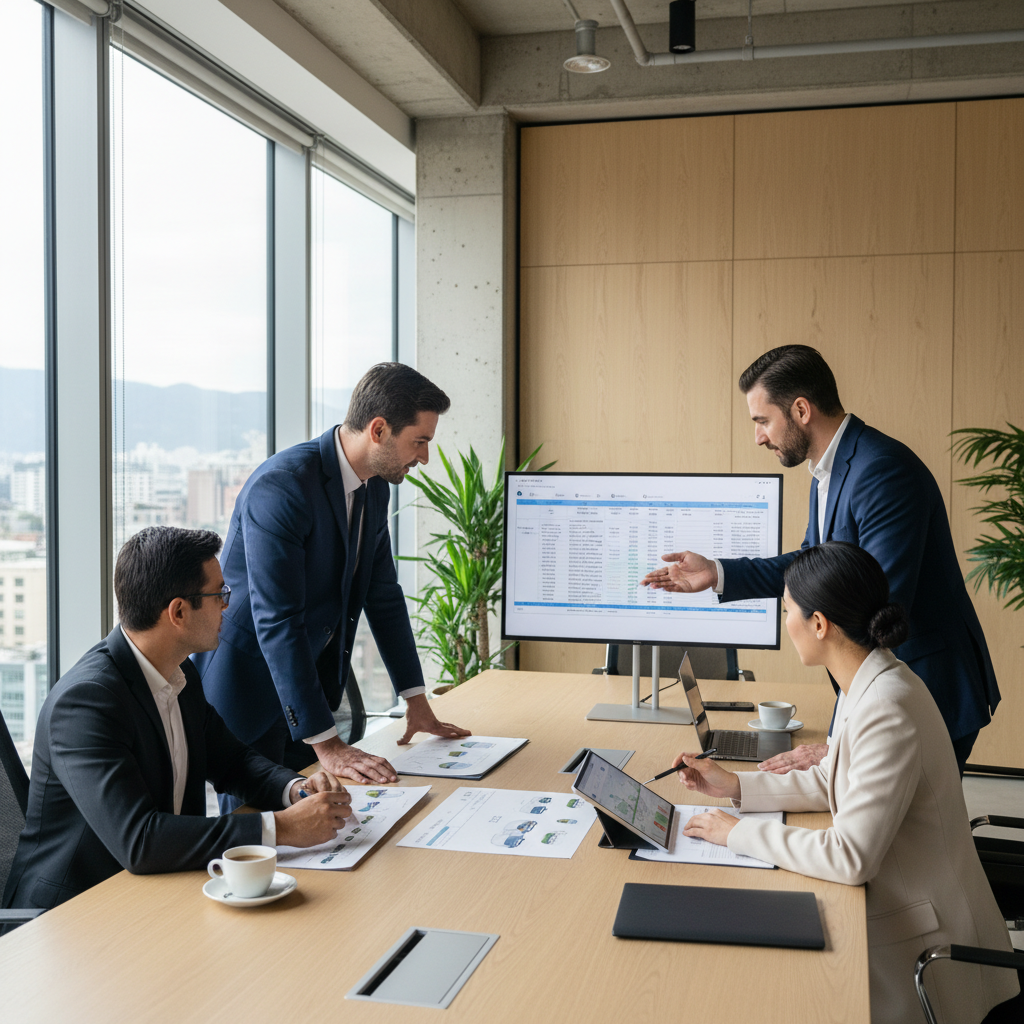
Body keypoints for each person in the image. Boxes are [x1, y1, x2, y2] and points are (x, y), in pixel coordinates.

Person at [675, 542, 1018, 1024]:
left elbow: (850, 857)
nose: (784, 620)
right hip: (909, 907)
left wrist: (736, 833)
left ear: (820, 624)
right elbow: (832, 776)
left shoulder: (886, 708)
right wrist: (735, 786)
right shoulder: (875, 679)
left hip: (926, 946)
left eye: (788, 610)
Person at [641, 345, 998, 774]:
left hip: (928, 686)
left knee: (901, 835)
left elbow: (876, 608)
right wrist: (717, 572)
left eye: (762, 420)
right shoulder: (829, 469)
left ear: (801, 410)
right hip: (886, 685)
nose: (758, 436)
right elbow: (814, 566)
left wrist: (836, 746)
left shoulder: (883, 471)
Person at [2, 527, 352, 914]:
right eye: (219, 594)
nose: (227, 607)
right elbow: (139, 840)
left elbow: (233, 761)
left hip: (157, 892)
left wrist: (296, 789)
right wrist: (282, 827)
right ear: (179, 612)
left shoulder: (179, 674)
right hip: (72, 916)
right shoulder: (86, 703)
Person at [194, 362, 469, 809]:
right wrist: (329, 745)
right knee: (261, 835)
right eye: (419, 442)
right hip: (252, 688)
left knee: (321, 825)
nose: (424, 457)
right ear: (378, 429)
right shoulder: (282, 487)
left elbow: (383, 595)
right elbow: (278, 620)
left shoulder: (374, 487)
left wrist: (415, 700)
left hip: (310, 693)